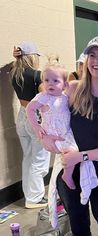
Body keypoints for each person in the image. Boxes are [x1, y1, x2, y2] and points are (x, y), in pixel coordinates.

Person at [40, 36, 98, 236]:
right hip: (68, 170)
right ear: (86, 59)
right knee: (79, 226)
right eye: (92, 55)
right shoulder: (72, 89)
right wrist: (43, 136)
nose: (97, 61)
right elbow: (44, 100)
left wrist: (80, 156)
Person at [10, 41, 51, 209]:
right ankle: (35, 198)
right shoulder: (36, 75)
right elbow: (45, 99)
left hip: (21, 115)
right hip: (35, 117)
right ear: (32, 57)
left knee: (28, 158)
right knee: (39, 159)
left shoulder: (14, 74)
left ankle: (30, 195)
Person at [26, 58, 77, 189]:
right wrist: (36, 127)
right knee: (71, 151)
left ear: (65, 85)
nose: (50, 84)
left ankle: (67, 174)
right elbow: (29, 109)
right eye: (47, 80)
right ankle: (67, 176)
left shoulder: (65, 98)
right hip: (52, 133)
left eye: (55, 81)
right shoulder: (44, 97)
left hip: (65, 133)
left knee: (73, 153)